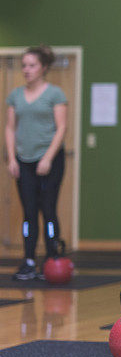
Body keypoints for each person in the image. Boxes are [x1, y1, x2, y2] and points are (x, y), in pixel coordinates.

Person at [5, 46, 68, 281]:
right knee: (29, 211)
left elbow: (61, 127)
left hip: (50, 160)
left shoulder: (55, 94)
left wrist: (48, 158)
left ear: (43, 68)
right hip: (24, 161)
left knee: (48, 210)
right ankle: (29, 260)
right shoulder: (15, 96)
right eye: (24, 65)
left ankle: (52, 257)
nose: (26, 70)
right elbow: (10, 128)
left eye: (31, 65)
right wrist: (12, 158)